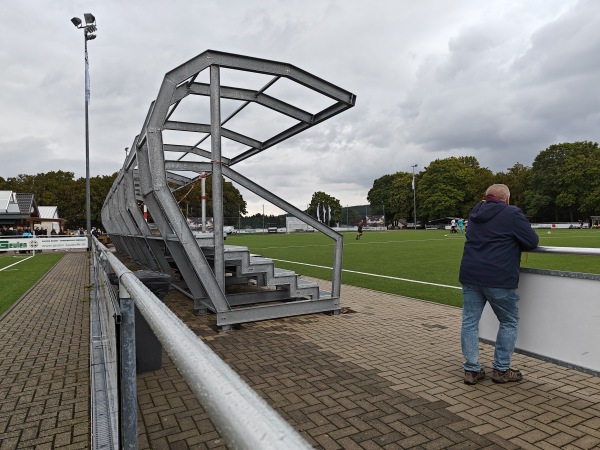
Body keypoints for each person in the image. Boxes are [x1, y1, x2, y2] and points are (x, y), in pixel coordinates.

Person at [459, 184, 539, 385]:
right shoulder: (511, 213)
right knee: (509, 321)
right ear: (507, 199)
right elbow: (532, 241)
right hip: (498, 277)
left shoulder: (475, 212)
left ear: (487, 196)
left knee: (469, 322)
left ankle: (472, 369)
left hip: (470, 274)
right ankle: (501, 369)